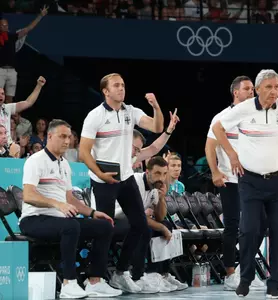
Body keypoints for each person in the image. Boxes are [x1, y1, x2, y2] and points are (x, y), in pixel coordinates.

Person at [212, 69, 278, 298]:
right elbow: (217, 128)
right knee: (249, 230)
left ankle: (274, 285)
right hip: (250, 181)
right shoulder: (243, 109)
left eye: (277, 87)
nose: (274, 91)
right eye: (269, 87)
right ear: (258, 89)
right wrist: (232, 155)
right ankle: (245, 279)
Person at [79, 73, 164, 293]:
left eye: (123, 85)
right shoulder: (95, 116)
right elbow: (83, 151)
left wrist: (155, 106)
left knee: (141, 227)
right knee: (105, 228)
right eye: (116, 85)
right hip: (103, 180)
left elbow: (156, 127)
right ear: (105, 91)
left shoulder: (130, 112)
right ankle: (95, 280)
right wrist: (100, 173)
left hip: (125, 178)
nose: (121, 88)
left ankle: (120, 273)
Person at [19, 119, 122, 298]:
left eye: (69, 137)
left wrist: (92, 213)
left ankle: (95, 281)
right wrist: (57, 204)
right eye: (62, 136)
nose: (67, 141)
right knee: (71, 226)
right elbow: (28, 195)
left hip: (58, 220)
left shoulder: (65, 164)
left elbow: (69, 198)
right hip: (34, 219)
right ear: (49, 136)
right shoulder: (35, 161)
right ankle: (69, 283)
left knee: (104, 226)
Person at [205, 75, 265, 290]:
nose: (252, 92)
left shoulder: (257, 117)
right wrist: (215, 172)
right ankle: (230, 273)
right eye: (247, 89)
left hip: (255, 179)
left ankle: (244, 268)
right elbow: (209, 147)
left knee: (261, 224)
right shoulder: (223, 117)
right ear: (235, 93)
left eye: (252, 89)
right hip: (231, 180)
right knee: (232, 225)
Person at [114, 156, 188, 293]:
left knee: (166, 224)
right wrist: (161, 227)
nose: (161, 178)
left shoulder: (155, 186)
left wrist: (161, 198)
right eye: (157, 173)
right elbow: (138, 217)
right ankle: (138, 276)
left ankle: (159, 274)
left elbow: (160, 216)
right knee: (145, 229)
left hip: (135, 221)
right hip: (116, 218)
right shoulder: (135, 182)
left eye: (164, 174)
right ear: (148, 173)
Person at [0, 6, 47, 104]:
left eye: (6, 25)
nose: (6, 27)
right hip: (0, 70)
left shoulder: (12, 37)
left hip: (12, 71)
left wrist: (40, 16)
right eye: (3, 25)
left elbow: (28, 28)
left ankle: (7, 118)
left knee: (10, 99)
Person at [0, 76, 46, 143]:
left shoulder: (6, 108)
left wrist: (39, 86)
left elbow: (28, 102)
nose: (1, 96)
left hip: (7, 147)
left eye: (2, 94)